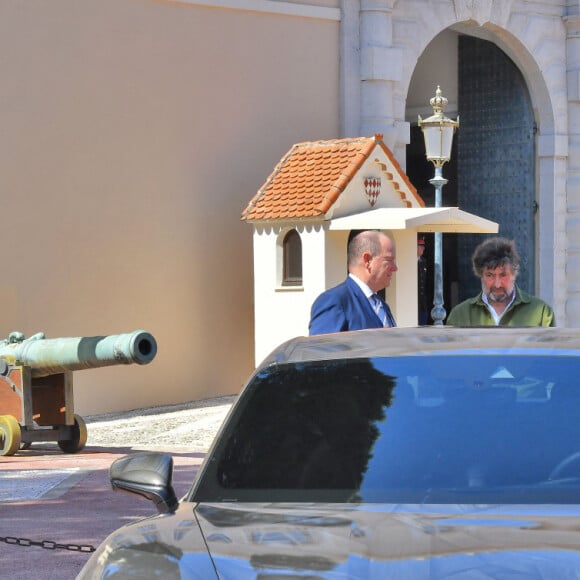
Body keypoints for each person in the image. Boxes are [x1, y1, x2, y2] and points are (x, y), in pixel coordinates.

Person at [446, 236, 555, 327]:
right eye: (490, 275)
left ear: (514, 274)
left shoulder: (542, 313)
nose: (497, 284)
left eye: (503, 275)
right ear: (481, 275)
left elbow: (550, 351)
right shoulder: (459, 315)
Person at [309, 230, 398, 335]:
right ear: (367, 260)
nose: (395, 268)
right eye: (389, 260)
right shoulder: (335, 302)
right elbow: (322, 349)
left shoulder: (381, 305)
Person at [417, 237, 429, 325]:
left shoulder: (424, 261)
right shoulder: (410, 262)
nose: (423, 248)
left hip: (422, 302)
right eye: (420, 245)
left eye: (423, 245)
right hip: (413, 301)